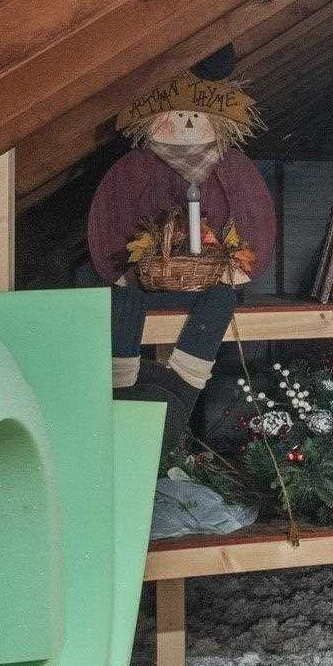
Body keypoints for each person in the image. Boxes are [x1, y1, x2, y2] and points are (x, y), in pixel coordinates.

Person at [87, 57, 273, 462]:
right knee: (123, 300)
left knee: (221, 300)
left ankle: (185, 384)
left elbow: (253, 213)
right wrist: (117, 267)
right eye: (178, 115)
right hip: (147, 277)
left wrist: (240, 266)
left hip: (207, 278)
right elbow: (111, 213)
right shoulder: (135, 167)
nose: (188, 122)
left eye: (195, 115)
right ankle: (123, 380)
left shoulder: (232, 167)